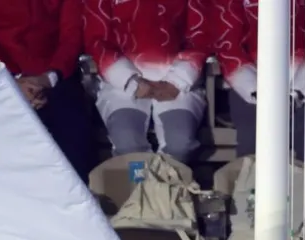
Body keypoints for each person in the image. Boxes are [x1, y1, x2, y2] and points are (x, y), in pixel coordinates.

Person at [0, 0, 94, 181]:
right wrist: (12, 81)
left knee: (73, 136)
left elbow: (71, 35)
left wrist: (48, 78)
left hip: (53, 77)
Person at [211, 0, 305, 171]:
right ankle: (250, 186)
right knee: (252, 136)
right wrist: (257, 91)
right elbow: (228, 42)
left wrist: (298, 91)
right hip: (253, 79)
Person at [82, 0, 210, 165]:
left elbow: (200, 37)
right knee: (128, 144)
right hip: (122, 84)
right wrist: (129, 80)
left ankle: (169, 181)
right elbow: (97, 40)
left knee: (180, 144)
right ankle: (139, 182)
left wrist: (177, 80)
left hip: (177, 82)